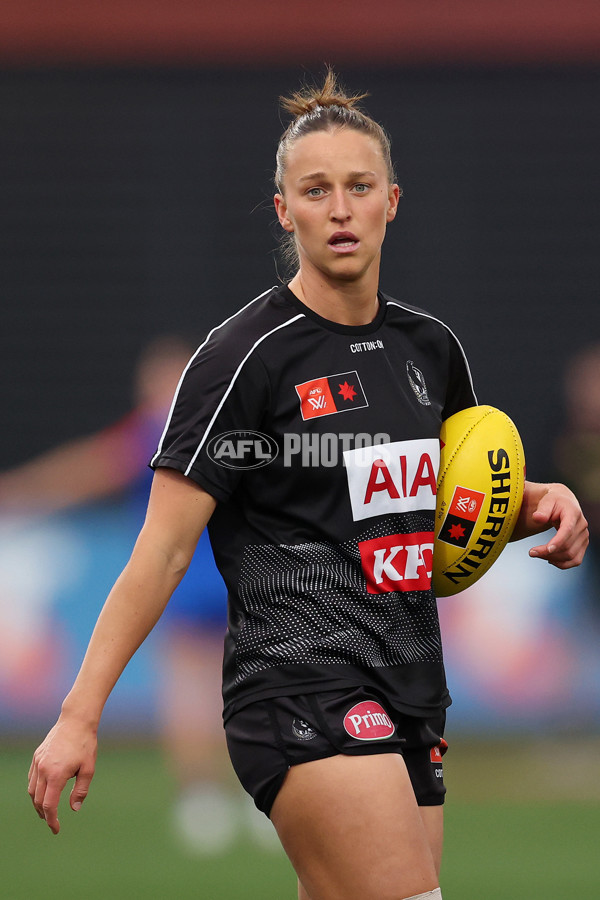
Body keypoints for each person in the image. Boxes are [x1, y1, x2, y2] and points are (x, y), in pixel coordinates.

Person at [28, 71, 589, 900]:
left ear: (391, 200)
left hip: (410, 685)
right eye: (315, 189)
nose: (339, 207)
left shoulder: (432, 353)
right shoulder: (242, 358)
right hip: (298, 681)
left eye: (358, 186)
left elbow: (439, 514)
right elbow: (164, 548)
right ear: (284, 209)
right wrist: (80, 712)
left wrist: (534, 502)